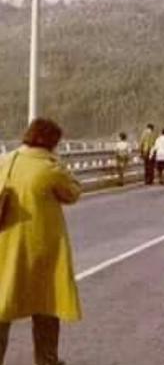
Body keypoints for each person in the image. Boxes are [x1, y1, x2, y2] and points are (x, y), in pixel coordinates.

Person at [0, 118, 82, 365]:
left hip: (6, 243)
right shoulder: (49, 168)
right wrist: (59, 163)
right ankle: (47, 360)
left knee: (2, 303)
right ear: (52, 142)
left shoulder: (6, 161)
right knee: (46, 302)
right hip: (42, 246)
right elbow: (73, 193)